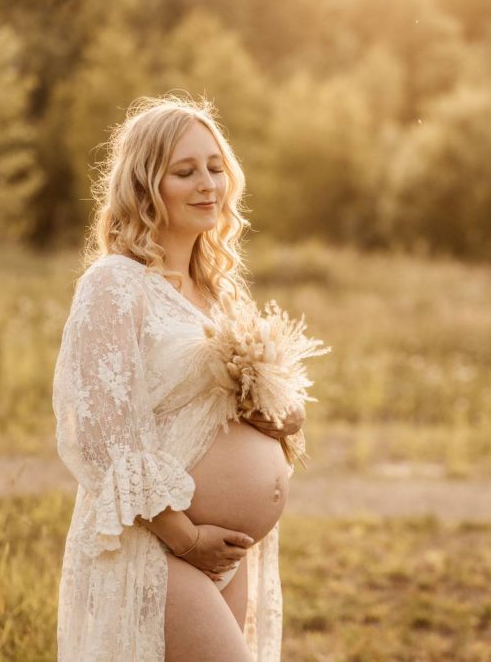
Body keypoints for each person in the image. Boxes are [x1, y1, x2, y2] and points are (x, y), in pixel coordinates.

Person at [52, 93, 306, 661]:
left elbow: (247, 409)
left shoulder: (216, 294)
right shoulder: (115, 284)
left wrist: (283, 413)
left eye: (215, 168)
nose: (207, 184)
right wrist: (185, 538)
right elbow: (101, 433)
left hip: (228, 549)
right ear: (146, 187)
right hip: (158, 546)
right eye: (185, 172)